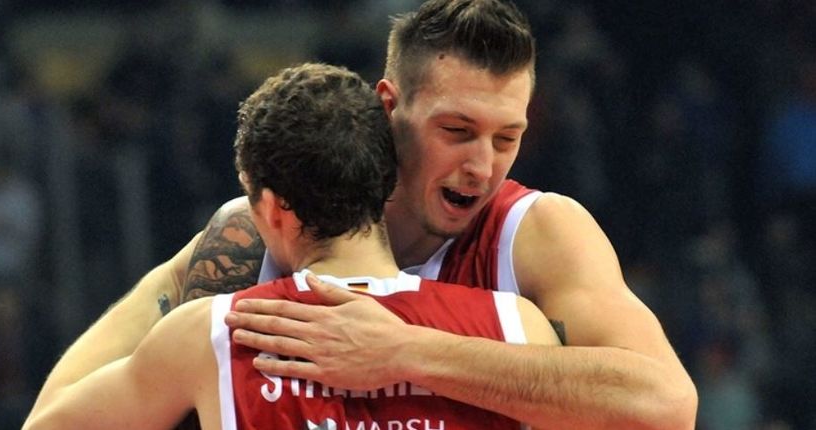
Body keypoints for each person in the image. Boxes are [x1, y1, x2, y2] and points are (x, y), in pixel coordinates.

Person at [39, 1, 698, 429]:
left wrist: (407, 351)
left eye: (507, 137)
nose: (483, 166)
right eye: (458, 129)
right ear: (390, 105)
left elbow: (666, 404)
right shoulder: (249, 233)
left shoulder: (535, 231)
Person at [24, 63, 561, 429]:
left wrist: (167, 278)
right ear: (385, 181)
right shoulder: (516, 327)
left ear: (272, 209)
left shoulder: (214, 334)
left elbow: (48, 422)